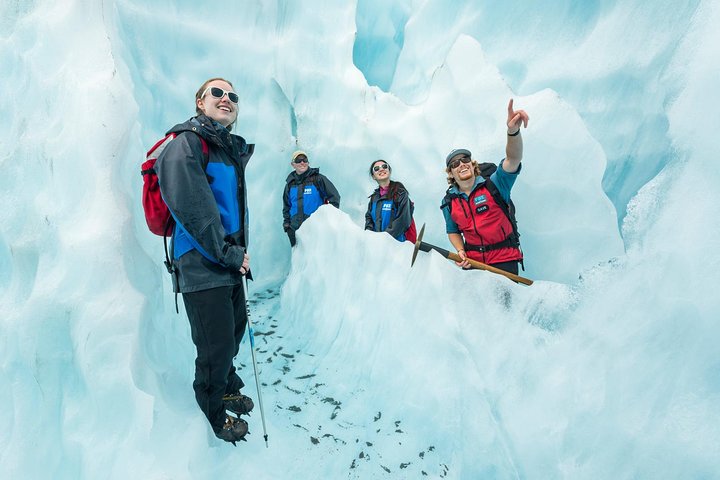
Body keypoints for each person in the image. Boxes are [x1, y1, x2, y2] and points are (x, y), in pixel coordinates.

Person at [155, 77, 255, 444]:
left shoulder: (224, 149)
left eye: (232, 95)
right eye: (216, 92)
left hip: (226, 261)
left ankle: (226, 386)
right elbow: (195, 209)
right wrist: (229, 253)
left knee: (232, 333)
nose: (226, 98)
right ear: (200, 101)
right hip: (201, 262)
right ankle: (212, 413)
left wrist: (238, 256)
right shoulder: (186, 144)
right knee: (215, 347)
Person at [441, 99, 529, 275]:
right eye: (455, 163)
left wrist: (512, 132)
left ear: (473, 165)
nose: (461, 164)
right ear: (451, 173)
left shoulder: (495, 184)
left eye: (465, 160)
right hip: (474, 265)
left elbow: (513, 159)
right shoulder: (449, 201)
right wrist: (460, 251)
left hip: (505, 260)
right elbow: (453, 231)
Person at [282, 150, 341, 246]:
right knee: (300, 260)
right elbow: (286, 207)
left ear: (308, 163)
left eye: (305, 160)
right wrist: (287, 226)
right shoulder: (290, 185)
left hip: (316, 230)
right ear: (293, 164)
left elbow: (335, 197)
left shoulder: (318, 179)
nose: (302, 162)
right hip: (295, 231)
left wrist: (328, 220)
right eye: (298, 160)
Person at [364, 160, 416, 242]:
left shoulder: (400, 194)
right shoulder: (374, 198)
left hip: (396, 246)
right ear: (373, 176)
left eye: (384, 166)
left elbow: (403, 220)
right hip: (378, 245)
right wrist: (370, 236)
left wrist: (385, 238)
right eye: (376, 168)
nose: (381, 169)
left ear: (389, 170)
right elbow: (369, 218)